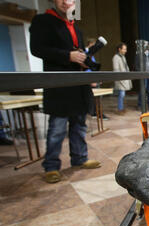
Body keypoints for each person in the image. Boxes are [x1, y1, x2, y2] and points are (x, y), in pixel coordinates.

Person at [30, 0, 101, 184]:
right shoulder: (43, 20)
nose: (65, 2)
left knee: (79, 125)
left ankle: (80, 158)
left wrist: (85, 62)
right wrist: (67, 55)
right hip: (59, 86)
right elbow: (37, 49)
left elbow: (79, 53)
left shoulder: (77, 28)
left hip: (78, 86)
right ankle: (51, 166)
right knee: (57, 129)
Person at [85, 38, 108, 120]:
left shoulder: (92, 56)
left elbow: (93, 68)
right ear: (90, 44)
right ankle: (95, 113)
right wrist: (91, 81)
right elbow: (86, 69)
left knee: (97, 97)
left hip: (93, 79)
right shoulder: (86, 53)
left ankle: (96, 112)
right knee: (93, 98)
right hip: (89, 80)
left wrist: (98, 78)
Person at [135, 44, 149, 111]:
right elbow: (136, 65)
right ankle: (139, 104)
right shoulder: (139, 55)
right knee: (143, 90)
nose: (146, 48)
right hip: (143, 75)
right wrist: (140, 72)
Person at [113, 43, 132, 115]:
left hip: (124, 79)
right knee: (121, 94)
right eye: (124, 49)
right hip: (120, 79)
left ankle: (121, 108)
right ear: (119, 49)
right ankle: (119, 109)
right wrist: (120, 78)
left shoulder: (123, 57)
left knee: (122, 95)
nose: (125, 50)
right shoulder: (116, 57)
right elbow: (116, 69)